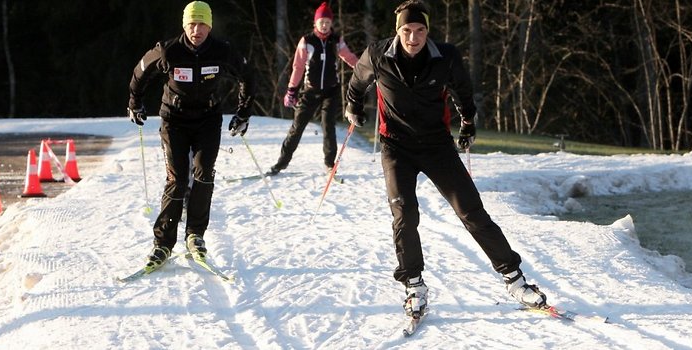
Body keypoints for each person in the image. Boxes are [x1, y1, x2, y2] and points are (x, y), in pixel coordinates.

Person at [344, 0, 547, 318]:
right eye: (407, 30)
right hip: (396, 147)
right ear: (398, 30)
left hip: (437, 146)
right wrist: (353, 106)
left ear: (428, 30)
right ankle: (413, 285)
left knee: (471, 211)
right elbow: (357, 84)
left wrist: (468, 123)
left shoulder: (446, 57)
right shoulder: (378, 55)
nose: (414, 38)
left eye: (420, 30)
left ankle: (515, 280)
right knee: (404, 214)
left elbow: (463, 92)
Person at [127, 1, 255, 270]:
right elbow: (140, 73)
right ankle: (162, 243)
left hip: (208, 120)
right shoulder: (169, 50)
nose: (196, 30)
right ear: (184, 25)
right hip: (174, 120)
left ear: (209, 26)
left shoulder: (222, 51)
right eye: (191, 24)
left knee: (204, 172)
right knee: (177, 178)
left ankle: (195, 234)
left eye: (202, 24)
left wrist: (243, 112)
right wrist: (134, 102)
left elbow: (247, 76)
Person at [266, 2, 359, 176]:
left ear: (331, 24)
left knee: (328, 126)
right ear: (315, 23)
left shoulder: (336, 40)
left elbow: (349, 58)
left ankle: (329, 164)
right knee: (297, 127)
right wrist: (291, 90)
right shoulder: (307, 41)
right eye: (321, 21)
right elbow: (298, 66)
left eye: (327, 22)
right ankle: (281, 163)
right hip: (310, 90)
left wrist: (365, 69)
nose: (324, 25)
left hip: (330, 91)